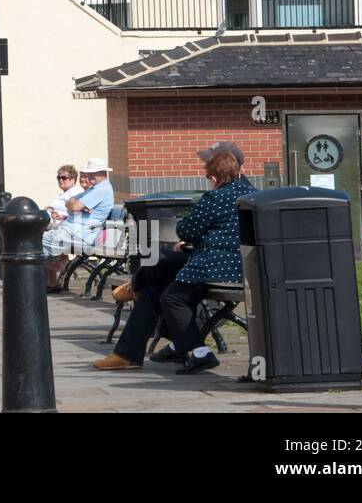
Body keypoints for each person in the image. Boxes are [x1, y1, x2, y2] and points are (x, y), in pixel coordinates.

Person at [93, 141, 256, 374]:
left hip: (215, 266)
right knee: (157, 277)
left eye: (208, 164)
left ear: (219, 169)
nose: (205, 167)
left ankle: (138, 332)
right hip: (239, 265)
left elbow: (188, 229)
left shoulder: (216, 197)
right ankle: (128, 353)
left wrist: (191, 241)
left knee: (160, 271)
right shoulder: (254, 194)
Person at [42, 158, 114, 291]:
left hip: (81, 235)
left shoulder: (101, 189)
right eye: (88, 173)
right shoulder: (94, 189)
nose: (89, 176)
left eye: (93, 173)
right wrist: (73, 204)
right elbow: (70, 202)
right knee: (37, 241)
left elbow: (73, 206)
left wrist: (74, 204)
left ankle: (38, 283)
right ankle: (47, 283)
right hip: (72, 231)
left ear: (103, 173)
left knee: (34, 242)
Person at [46, 165, 83, 229]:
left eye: (63, 178)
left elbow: (78, 215)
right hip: (53, 227)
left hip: (63, 230)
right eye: (58, 177)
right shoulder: (66, 193)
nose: (60, 180)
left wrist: (61, 216)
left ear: (72, 180)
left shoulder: (76, 192)